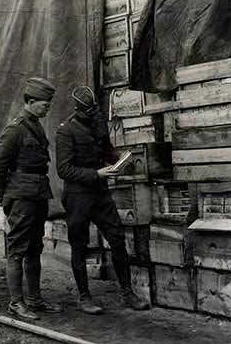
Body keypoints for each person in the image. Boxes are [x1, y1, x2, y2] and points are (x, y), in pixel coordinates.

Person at [55, 85, 149, 314]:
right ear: (78, 109)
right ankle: (84, 297)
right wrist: (96, 173)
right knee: (79, 244)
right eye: (88, 110)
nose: (93, 113)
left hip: (100, 193)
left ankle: (127, 293)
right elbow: (64, 170)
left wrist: (120, 161)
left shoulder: (98, 122)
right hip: (78, 196)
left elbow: (107, 151)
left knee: (117, 239)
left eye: (95, 109)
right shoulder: (66, 131)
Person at [0, 77, 62, 320]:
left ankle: (34, 299)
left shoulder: (35, 125)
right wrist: (5, 197)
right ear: (30, 102)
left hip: (38, 193)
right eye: (44, 104)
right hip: (21, 197)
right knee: (17, 251)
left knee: (34, 248)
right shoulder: (16, 129)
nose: (48, 108)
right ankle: (16, 303)